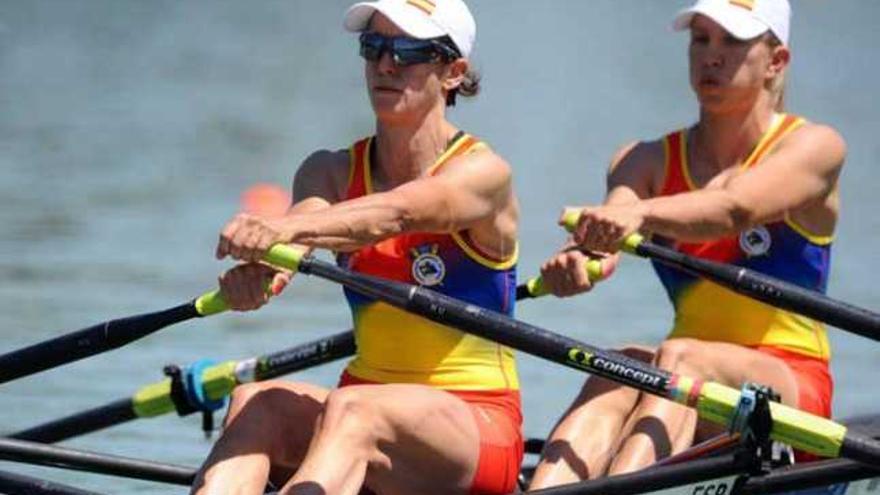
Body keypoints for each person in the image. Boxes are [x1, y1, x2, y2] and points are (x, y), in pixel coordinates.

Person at [191, 0, 524, 494]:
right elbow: (305, 231)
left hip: (475, 424)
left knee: (354, 410)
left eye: (409, 51)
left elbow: (397, 212)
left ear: (453, 72)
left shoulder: (483, 174)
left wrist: (280, 233)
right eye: (374, 48)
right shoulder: (327, 172)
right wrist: (261, 274)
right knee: (255, 401)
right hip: (361, 408)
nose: (386, 65)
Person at [529, 0, 847, 488]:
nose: (711, 56)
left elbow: (733, 209)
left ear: (776, 61)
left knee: (679, 358)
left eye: (733, 41)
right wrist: (579, 260)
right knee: (620, 364)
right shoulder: (644, 160)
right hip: (689, 382)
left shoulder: (814, 148)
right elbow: (605, 240)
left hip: (792, 386)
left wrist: (635, 214)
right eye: (701, 39)